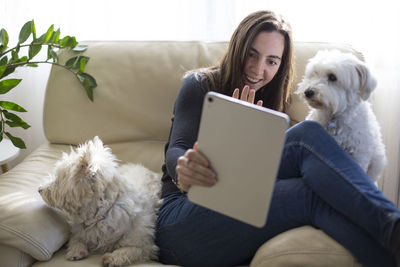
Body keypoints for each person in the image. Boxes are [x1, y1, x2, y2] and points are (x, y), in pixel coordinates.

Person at [155, 10, 400, 267]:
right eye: (251, 54)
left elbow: (256, 181)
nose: (257, 69)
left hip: (237, 202)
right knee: (306, 140)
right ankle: (391, 226)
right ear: (238, 47)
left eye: (271, 61)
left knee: (309, 174)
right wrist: (185, 166)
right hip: (180, 221)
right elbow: (178, 147)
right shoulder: (200, 84)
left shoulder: (272, 103)